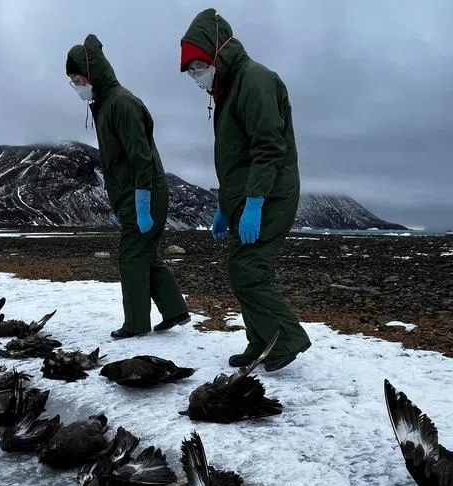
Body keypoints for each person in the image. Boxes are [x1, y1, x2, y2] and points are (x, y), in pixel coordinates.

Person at [179, 9, 311, 372]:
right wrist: (226, 206)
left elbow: (267, 146)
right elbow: (235, 160)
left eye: (198, 65)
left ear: (217, 53)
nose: (195, 75)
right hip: (247, 197)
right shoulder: (229, 88)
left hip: (270, 193)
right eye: (190, 70)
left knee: (248, 268)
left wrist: (254, 203)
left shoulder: (255, 80)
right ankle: (261, 341)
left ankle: (287, 338)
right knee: (244, 269)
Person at [66, 34, 190, 340]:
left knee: (132, 255)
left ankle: (136, 324)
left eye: (78, 78)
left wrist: (142, 201)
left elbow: (139, 156)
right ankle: (175, 311)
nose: (76, 86)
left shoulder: (121, 103)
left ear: (92, 74)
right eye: (72, 81)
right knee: (144, 252)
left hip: (145, 192)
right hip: (133, 195)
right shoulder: (106, 104)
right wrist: (122, 203)